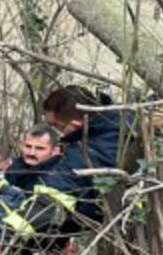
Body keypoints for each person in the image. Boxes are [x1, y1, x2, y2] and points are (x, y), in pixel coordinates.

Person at [41, 86, 143, 219]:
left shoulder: (87, 153)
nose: (54, 131)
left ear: (76, 125)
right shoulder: (122, 119)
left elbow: (53, 194)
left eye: (55, 126)